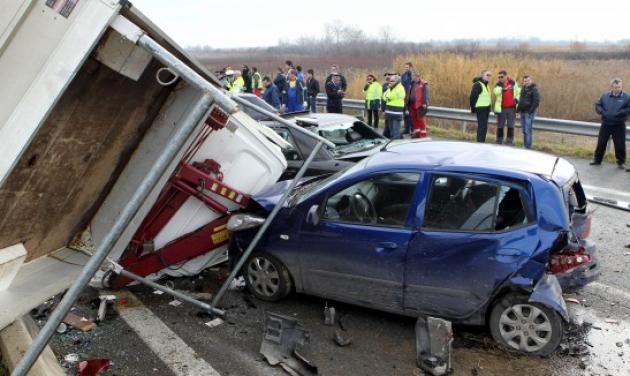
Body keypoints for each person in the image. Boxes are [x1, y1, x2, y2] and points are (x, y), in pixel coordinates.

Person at [591, 78, 630, 169]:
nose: (617, 89)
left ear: (621, 86)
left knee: (620, 144)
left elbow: (629, 108)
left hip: (619, 125)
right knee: (601, 143)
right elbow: (598, 105)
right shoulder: (605, 96)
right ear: (611, 87)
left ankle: (621, 162)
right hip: (606, 124)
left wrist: (620, 113)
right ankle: (597, 160)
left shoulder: (627, 97)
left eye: (619, 87)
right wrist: (603, 112)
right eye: (615, 87)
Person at [493, 70, 520, 145]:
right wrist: (503, 89)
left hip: (511, 108)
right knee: (500, 124)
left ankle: (509, 140)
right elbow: (495, 92)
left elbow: (518, 93)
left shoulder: (513, 83)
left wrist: (517, 99)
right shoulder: (498, 84)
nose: (500, 78)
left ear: (506, 76)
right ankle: (499, 139)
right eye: (499, 77)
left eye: (501, 77)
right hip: (502, 108)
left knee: (511, 125)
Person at [516, 75, 540, 149]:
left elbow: (536, 102)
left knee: (528, 130)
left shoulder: (534, 89)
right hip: (522, 112)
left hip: (529, 113)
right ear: (523, 82)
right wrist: (517, 111)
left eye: (528, 80)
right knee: (524, 130)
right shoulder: (523, 89)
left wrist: (530, 112)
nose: (526, 82)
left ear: (531, 81)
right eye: (525, 81)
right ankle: (525, 145)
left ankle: (528, 147)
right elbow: (521, 101)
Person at [470, 70, 492, 142]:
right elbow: (473, 97)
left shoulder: (486, 85)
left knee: (484, 127)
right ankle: (480, 142)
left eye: (490, 75)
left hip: (486, 109)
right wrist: (473, 108)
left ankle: (482, 142)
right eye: (487, 75)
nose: (489, 76)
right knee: (482, 126)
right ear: (482, 75)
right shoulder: (478, 84)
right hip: (480, 108)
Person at [406, 71, 430, 138]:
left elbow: (426, 94)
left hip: (420, 104)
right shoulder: (411, 83)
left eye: (414, 76)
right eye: (412, 76)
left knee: (421, 119)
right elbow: (409, 93)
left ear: (418, 76)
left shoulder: (424, 83)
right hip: (412, 104)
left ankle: (423, 134)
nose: (413, 77)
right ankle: (417, 133)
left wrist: (425, 103)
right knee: (414, 119)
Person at [382, 74, 405, 139]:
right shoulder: (391, 88)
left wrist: (387, 97)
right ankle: (392, 143)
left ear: (397, 81)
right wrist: (387, 96)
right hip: (389, 112)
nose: (390, 82)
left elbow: (391, 96)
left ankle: (396, 145)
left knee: (396, 131)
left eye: (392, 81)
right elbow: (384, 96)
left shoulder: (400, 88)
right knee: (391, 131)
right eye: (390, 81)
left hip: (396, 113)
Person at [401, 62, 414, 135]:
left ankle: (412, 129)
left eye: (407, 67)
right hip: (404, 96)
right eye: (405, 67)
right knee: (405, 113)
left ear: (410, 67)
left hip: (410, 96)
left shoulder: (412, 75)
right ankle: (406, 128)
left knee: (410, 113)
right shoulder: (403, 75)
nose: (406, 68)